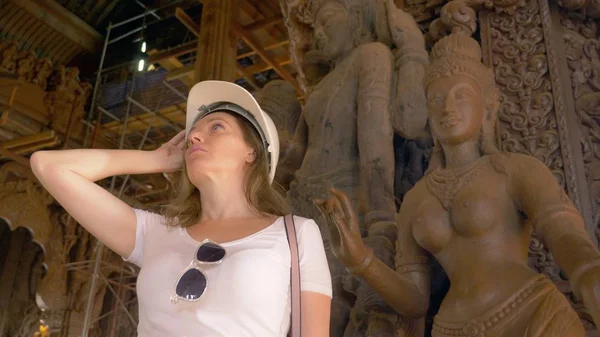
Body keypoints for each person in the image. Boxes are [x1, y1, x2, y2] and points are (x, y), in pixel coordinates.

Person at [317, 34, 600, 336]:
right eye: (436, 99)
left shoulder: (513, 170)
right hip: (452, 329)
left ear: (488, 106)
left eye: (461, 95)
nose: (447, 108)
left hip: (531, 313)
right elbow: (415, 302)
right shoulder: (416, 199)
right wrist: (360, 260)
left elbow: (563, 233)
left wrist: (588, 272)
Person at [31, 80, 333, 337]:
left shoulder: (295, 234)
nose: (194, 136)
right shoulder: (153, 233)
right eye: (193, 133)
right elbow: (48, 166)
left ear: (251, 150)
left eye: (217, 127)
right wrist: (154, 160)